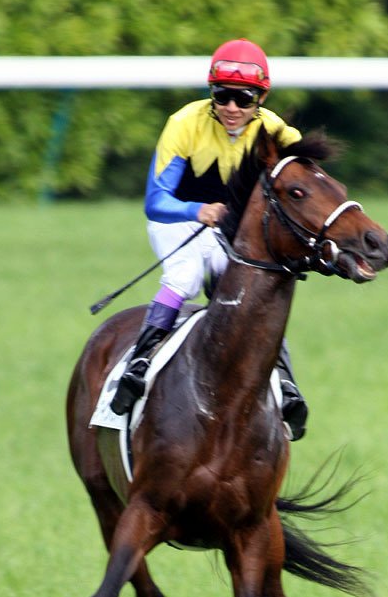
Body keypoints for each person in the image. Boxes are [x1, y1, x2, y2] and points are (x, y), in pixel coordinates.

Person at [111, 38, 308, 441]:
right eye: (222, 96)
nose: (232, 107)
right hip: (178, 221)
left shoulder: (277, 134)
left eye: (244, 98)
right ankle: (140, 362)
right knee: (184, 277)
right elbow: (155, 202)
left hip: (224, 230)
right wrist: (195, 211)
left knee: (248, 291)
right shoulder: (184, 123)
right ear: (211, 93)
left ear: (261, 98)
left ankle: (285, 382)